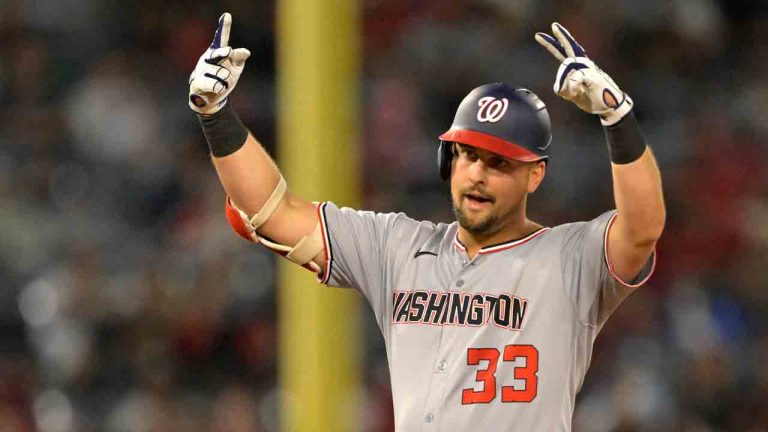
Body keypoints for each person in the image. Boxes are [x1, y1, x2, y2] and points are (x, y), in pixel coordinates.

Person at [188, 13, 665, 432]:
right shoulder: (396, 247)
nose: (477, 173)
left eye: (499, 163)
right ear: (447, 160)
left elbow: (641, 228)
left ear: (534, 175)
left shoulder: (570, 258)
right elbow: (273, 214)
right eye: (467, 155)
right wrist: (216, 115)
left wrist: (616, 115)